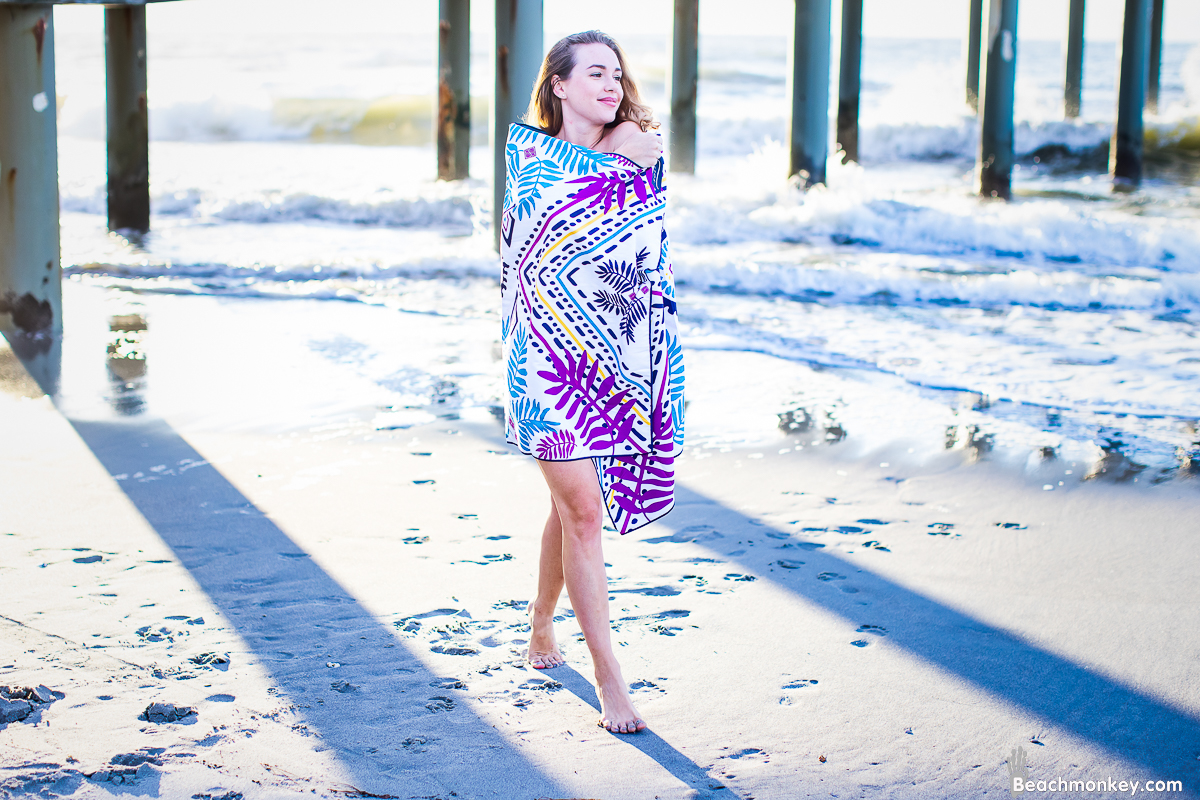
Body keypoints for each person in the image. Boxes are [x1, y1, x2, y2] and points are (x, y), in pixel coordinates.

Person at [499, 30, 685, 735]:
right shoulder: (529, 157)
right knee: (580, 510)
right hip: (541, 357)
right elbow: (530, 242)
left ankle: (541, 621)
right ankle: (611, 679)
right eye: (595, 73)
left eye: (617, 73)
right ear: (559, 85)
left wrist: (587, 161)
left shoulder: (639, 139)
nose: (612, 85)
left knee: (569, 504)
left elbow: (615, 188)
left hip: (610, 351)